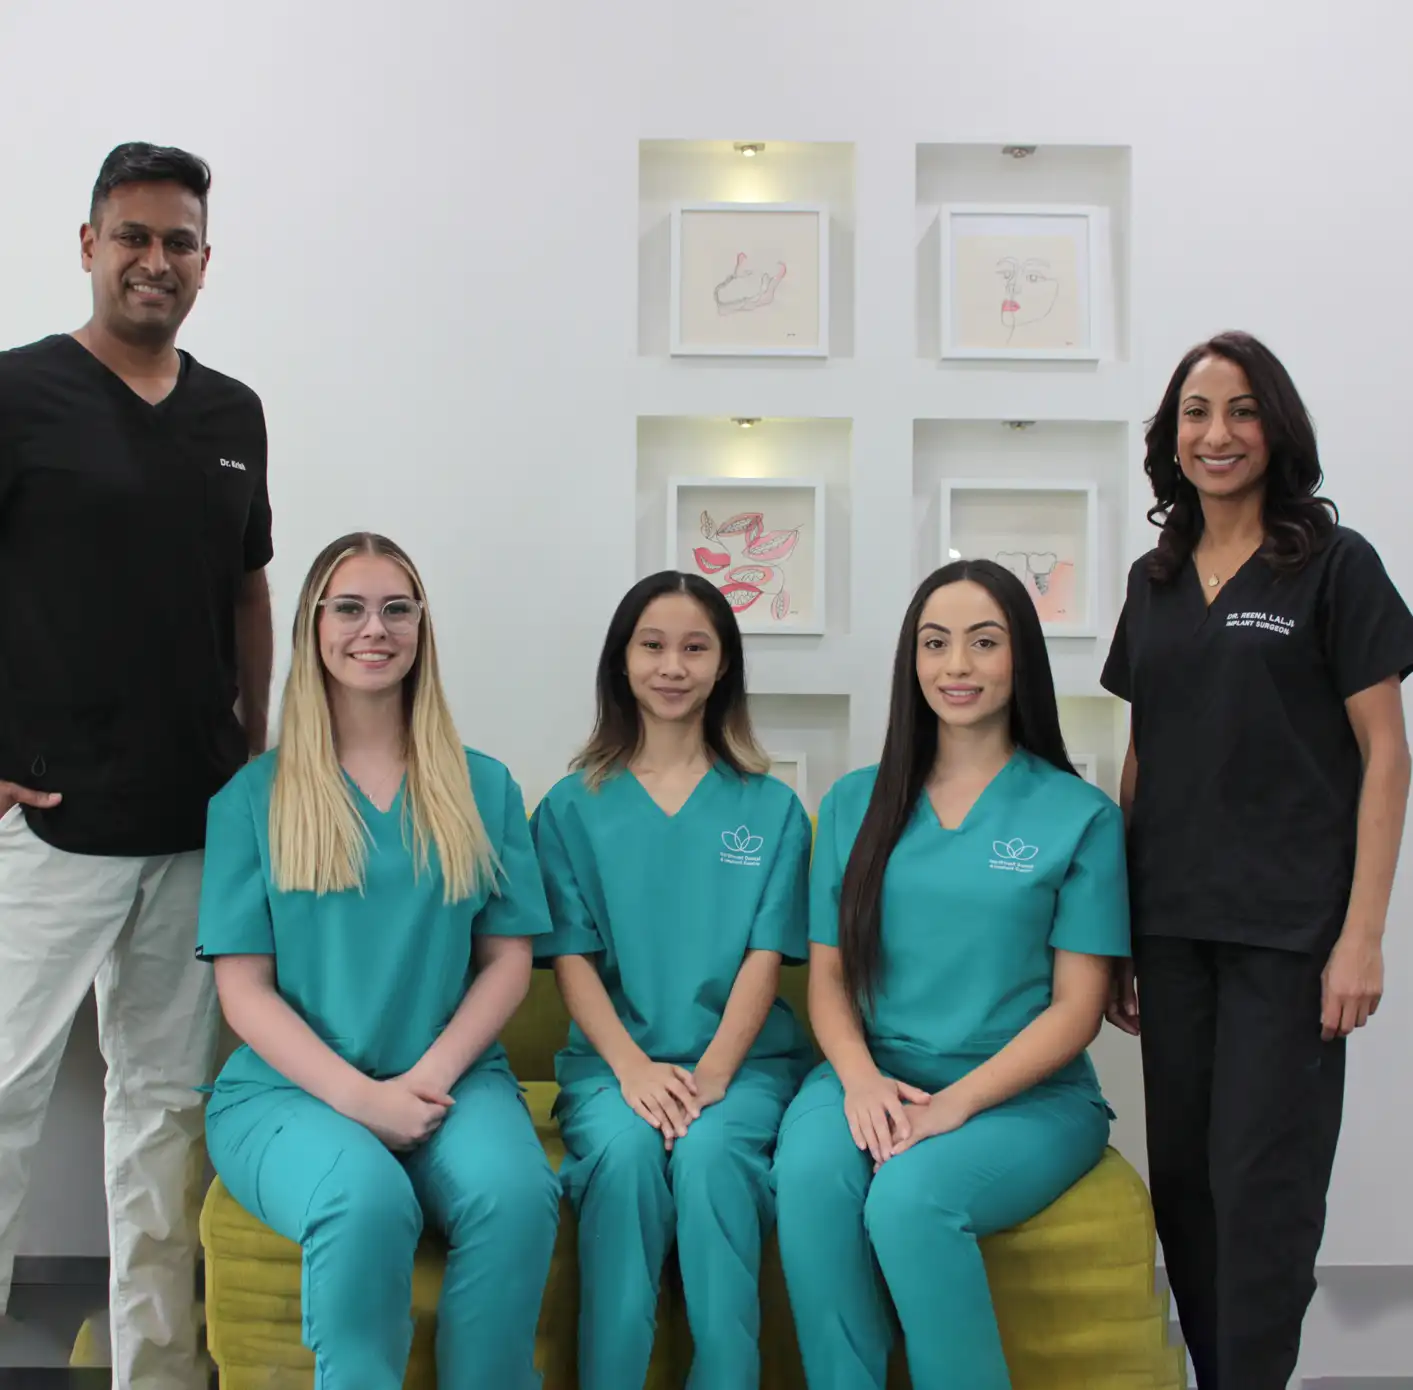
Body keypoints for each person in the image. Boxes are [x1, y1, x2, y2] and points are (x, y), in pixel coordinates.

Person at [0, 142, 273, 1388]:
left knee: (161, 1115)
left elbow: (249, 586)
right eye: (133, 236)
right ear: (88, 245)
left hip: (192, 832)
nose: (155, 260)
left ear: (204, 262)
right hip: (46, 825)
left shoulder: (233, 416)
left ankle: (157, 1371)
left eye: (178, 242)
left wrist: (255, 749)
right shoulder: (18, 394)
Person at [1100, 331, 1413, 1389]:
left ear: (1276, 428)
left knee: (1260, 1185)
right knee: (1184, 1184)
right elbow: (1144, 754)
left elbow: (1386, 753)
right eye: (1196, 411)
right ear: (1171, 437)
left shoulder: (1335, 566)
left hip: (1288, 935)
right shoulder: (1153, 580)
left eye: (1240, 410)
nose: (1217, 432)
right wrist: (1115, 932)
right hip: (1170, 926)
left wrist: (1361, 934)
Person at [195, 532, 560, 1389]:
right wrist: (363, 1101)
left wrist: (426, 1079)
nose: (375, 629)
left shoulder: (484, 786)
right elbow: (241, 991)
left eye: (398, 608)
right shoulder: (252, 798)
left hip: (451, 1075)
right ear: (313, 628)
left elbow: (506, 961)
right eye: (349, 608)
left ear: (422, 628)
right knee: (364, 1201)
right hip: (286, 1094)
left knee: (515, 1199)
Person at [773, 559, 1130, 1390]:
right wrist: (858, 1082)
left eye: (982, 642)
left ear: (1021, 659)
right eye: (934, 644)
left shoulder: (1079, 816)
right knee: (810, 1176)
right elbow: (827, 980)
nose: (956, 666)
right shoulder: (855, 802)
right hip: (872, 1071)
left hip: (1025, 1097)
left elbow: (1077, 1010)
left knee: (909, 1200)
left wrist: (955, 1107)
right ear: (912, 661)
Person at [530, 570, 813, 1390]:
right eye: (651, 645)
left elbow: (767, 956)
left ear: (723, 665)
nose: (672, 666)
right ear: (621, 661)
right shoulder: (569, 807)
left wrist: (711, 1076)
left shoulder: (771, 808)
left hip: (741, 1071)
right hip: (613, 1071)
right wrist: (634, 1071)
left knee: (710, 1160)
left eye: (695, 647)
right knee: (621, 1165)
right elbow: (570, 960)